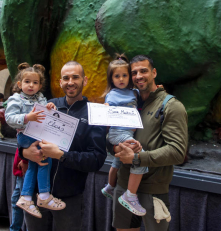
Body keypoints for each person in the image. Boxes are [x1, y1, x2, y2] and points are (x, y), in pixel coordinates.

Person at [19, 61, 113, 231]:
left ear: (84, 80)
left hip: (69, 198)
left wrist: (61, 155)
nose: (70, 82)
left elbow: (97, 159)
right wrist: (24, 152)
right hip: (36, 193)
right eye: (66, 78)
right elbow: (25, 137)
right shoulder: (48, 105)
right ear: (60, 82)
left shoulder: (94, 114)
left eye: (75, 77)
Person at [111, 55, 188, 231]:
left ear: (154, 72)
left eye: (143, 71)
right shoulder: (127, 101)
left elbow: (177, 152)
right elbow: (110, 137)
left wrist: (137, 158)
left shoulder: (171, 106)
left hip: (153, 189)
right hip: (124, 186)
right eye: (134, 72)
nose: (138, 76)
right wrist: (115, 147)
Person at [5, 62, 66, 219]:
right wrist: (27, 117)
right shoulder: (16, 99)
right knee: (45, 160)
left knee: (35, 163)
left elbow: (48, 114)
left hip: (37, 134)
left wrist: (52, 107)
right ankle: (44, 195)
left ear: (40, 85)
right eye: (27, 82)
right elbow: (9, 118)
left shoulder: (41, 98)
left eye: (35, 82)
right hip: (26, 135)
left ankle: (26, 198)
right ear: (19, 84)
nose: (31, 85)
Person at [100, 54, 148, 216]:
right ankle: (130, 195)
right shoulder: (111, 95)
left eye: (124, 75)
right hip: (118, 132)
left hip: (128, 131)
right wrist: (105, 108)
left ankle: (110, 187)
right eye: (117, 76)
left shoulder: (133, 92)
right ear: (111, 79)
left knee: (117, 161)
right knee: (140, 158)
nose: (121, 79)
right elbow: (105, 115)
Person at [10, 148, 28, 231]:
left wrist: (25, 161)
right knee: (16, 200)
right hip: (20, 171)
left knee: (26, 204)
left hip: (25, 169)